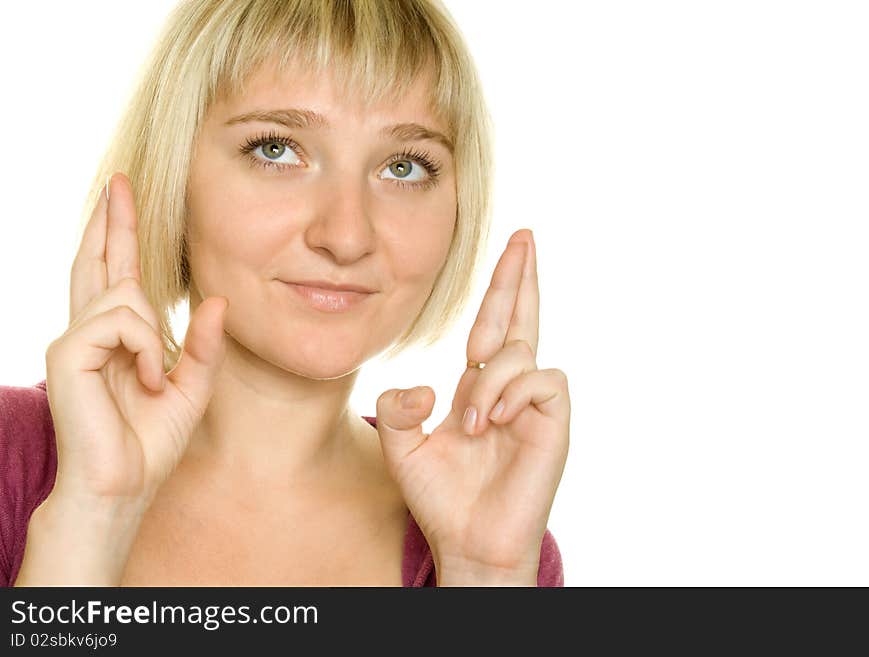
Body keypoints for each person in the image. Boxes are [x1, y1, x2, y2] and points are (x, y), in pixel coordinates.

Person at [0, 0, 569, 587]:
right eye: (276, 149)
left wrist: (484, 575)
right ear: (174, 170)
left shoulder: (491, 531)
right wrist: (93, 515)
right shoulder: (12, 461)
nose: (347, 237)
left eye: (404, 166)